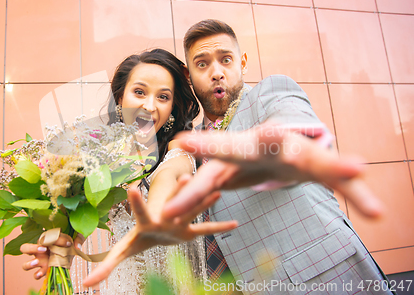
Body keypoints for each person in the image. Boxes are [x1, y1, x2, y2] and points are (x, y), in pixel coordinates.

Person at [83, 20, 393, 295]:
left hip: (327, 279)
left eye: (226, 60)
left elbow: (292, 131)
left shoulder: (270, 94)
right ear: (189, 77)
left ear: (242, 63)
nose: (216, 72)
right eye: (202, 64)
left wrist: (276, 151)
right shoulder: (191, 140)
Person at [20, 48, 237, 293]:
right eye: (139, 92)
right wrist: (62, 248)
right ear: (120, 99)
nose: (149, 105)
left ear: (172, 110)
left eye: (163, 97)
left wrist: (154, 211)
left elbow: (170, 174)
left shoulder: (179, 148)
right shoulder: (99, 160)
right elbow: (84, 217)